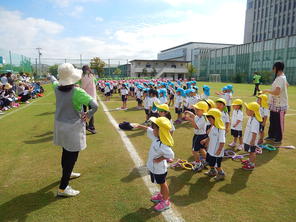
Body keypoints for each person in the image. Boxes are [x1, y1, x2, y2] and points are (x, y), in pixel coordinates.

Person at [49, 63, 98, 197]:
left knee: (65, 151)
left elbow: (53, 80)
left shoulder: (56, 88)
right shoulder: (77, 92)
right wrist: (88, 115)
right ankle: (63, 188)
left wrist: (51, 76)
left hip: (60, 125)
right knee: (72, 155)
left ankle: (68, 174)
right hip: (72, 127)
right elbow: (95, 105)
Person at [136, 117, 174, 212]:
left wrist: (161, 158)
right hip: (154, 167)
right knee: (161, 184)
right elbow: (148, 130)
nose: (152, 129)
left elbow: (171, 155)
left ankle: (166, 201)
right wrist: (140, 126)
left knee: (163, 183)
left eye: (155, 128)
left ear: (160, 130)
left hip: (159, 169)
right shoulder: (156, 137)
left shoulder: (163, 144)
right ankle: (161, 196)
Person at [262, 62, 288, 144]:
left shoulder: (281, 78)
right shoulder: (280, 77)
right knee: (273, 120)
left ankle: (278, 138)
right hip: (274, 104)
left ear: (277, 68)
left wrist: (267, 91)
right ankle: (272, 135)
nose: (273, 70)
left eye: (273, 68)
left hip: (279, 105)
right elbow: (287, 85)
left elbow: (277, 92)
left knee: (278, 121)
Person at [201, 108, 226, 181]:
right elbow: (210, 136)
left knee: (217, 165)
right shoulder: (213, 127)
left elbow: (222, 142)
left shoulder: (221, 129)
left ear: (215, 119)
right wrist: (205, 141)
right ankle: (212, 171)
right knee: (210, 161)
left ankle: (221, 173)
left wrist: (219, 150)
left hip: (217, 152)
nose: (209, 121)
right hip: (210, 150)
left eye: (210, 119)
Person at [184, 101, 209, 172]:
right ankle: (207, 160)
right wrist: (192, 115)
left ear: (203, 111)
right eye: (195, 109)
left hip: (199, 136)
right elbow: (196, 118)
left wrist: (190, 120)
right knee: (201, 149)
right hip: (200, 135)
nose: (195, 110)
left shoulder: (203, 118)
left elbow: (196, 126)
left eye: (197, 110)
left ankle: (198, 163)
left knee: (194, 150)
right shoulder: (200, 116)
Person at [241, 102, 262, 170]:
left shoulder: (255, 121)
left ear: (252, 112)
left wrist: (252, 141)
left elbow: (254, 133)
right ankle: (249, 161)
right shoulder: (251, 118)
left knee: (252, 152)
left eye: (247, 110)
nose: (246, 111)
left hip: (251, 140)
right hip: (248, 140)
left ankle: (252, 164)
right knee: (250, 151)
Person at [80, 65, 97, 134]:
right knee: (91, 112)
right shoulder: (91, 76)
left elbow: (82, 86)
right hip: (91, 96)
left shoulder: (81, 76)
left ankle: (84, 126)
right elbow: (95, 82)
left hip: (83, 95)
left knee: (83, 111)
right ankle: (91, 127)